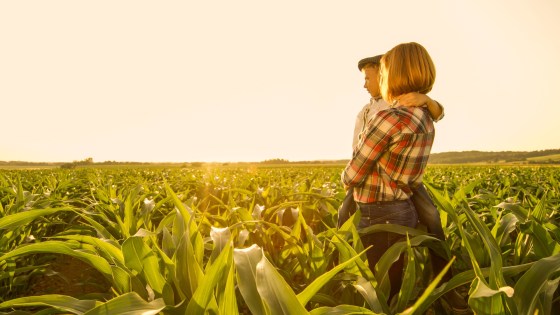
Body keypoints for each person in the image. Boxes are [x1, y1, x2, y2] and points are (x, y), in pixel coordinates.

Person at [341, 42, 438, 301]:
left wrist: (346, 178)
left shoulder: (390, 117)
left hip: (378, 209)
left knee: (380, 287)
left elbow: (356, 169)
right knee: (394, 278)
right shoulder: (423, 115)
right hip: (402, 206)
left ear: (393, 74)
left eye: (382, 73)